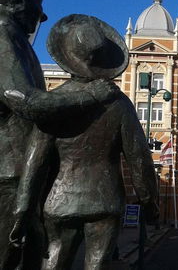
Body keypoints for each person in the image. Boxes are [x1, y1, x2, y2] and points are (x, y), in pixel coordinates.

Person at [12, 14, 159, 270]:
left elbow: (35, 161)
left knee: (54, 259)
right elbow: (139, 159)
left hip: (59, 200)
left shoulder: (55, 102)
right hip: (105, 201)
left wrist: (23, 209)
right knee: (97, 264)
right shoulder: (119, 104)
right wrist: (149, 202)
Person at [0, 0, 117, 270]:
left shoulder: (14, 37)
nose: (42, 14)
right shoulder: (1, 31)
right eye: (38, 1)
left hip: (22, 176)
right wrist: (90, 96)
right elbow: (24, 100)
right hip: (9, 175)